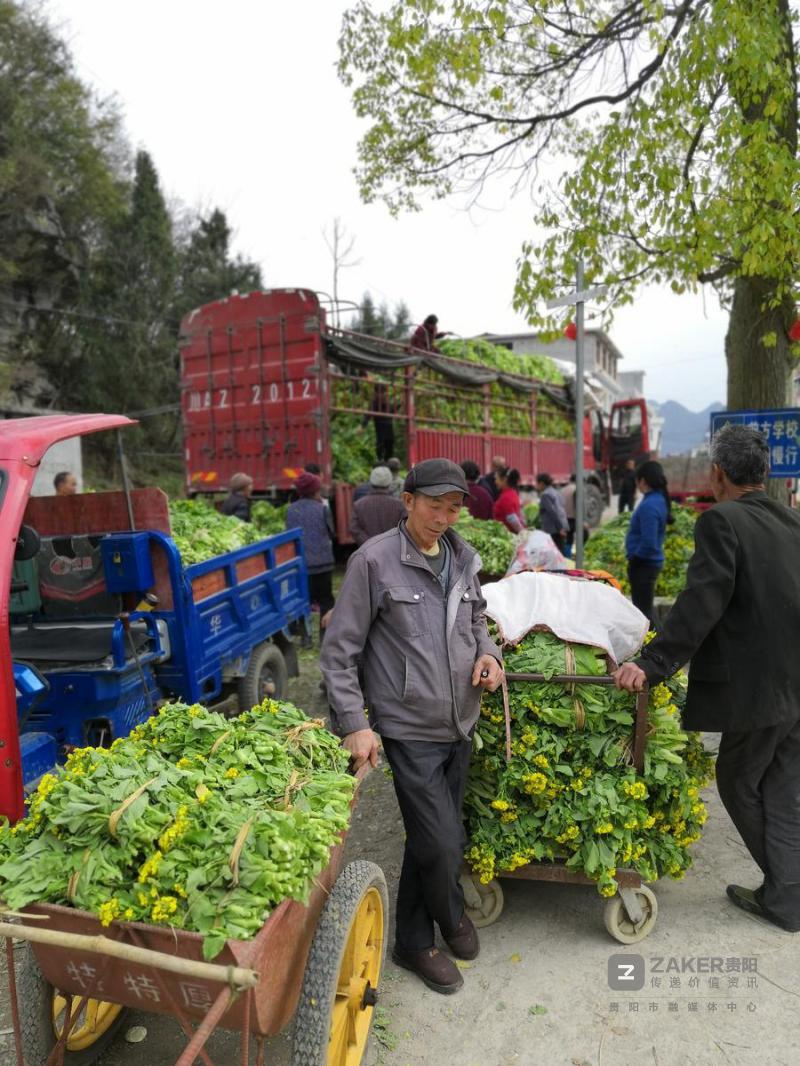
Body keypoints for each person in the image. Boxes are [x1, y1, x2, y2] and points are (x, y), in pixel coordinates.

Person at [321, 458, 504, 995]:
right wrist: (355, 723)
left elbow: (476, 622)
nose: (443, 518)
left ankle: (412, 940)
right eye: (433, 505)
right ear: (407, 501)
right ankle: (447, 922)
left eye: (453, 508)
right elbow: (339, 651)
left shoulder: (462, 559)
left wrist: (489, 655)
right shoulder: (374, 563)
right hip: (409, 727)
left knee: (431, 839)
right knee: (444, 842)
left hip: (459, 722)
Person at [613, 424, 800, 934]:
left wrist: (651, 666)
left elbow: (701, 604)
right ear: (764, 473)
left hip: (762, 688)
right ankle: (789, 893)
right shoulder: (792, 521)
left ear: (716, 474)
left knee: (738, 779)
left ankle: (788, 893)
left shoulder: (722, 522)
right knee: (783, 786)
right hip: (795, 684)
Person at [285, 472, 335, 643]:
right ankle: (325, 637)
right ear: (315, 490)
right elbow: (331, 532)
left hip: (300, 564)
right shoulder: (322, 509)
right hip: (322, 563)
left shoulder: (291, 510)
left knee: (302, 601)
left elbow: (289, 536)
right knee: (325, 601)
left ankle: (305, 638)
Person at [625, 460, 671, 626]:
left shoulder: (649, 506)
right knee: (645, 609)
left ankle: (655, 646)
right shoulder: (658, 499)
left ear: (642, 481)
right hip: (648, 563)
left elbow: (649, 543)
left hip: (644, 564)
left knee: (643, 613)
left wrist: (635, 560)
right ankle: (656, 644)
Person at [350, 466, 406, 545]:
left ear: (371, 482)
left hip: (367, 553)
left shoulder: (359, 505)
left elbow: (354, 529)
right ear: (390, 482)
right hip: (393, 551)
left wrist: (370, 544)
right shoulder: (400, 505)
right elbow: (406, 530)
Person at [535, 473, 569, 553]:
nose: (536, 486)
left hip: (554, 529)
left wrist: (560, 528)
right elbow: (562, 506)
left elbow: (551, 512)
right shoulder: (556, 492)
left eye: (537, 483)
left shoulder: (545, 495)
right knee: (560, 552)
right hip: (562, 525)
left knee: (555, 553)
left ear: (542, 484)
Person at [493, 467, 524, 533]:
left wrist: (522, 533)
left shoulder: (506, 498)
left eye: (496, 479)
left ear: (504, 480)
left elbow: (512, 518)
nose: (495, 482)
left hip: (507, 535)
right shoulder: (512, 493)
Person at [370, 382, 395, 462]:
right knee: (380, 446)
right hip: (380, 431)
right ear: (376, 393)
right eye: (380, 392)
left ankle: (388, 465)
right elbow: (368, 414)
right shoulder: (374, 404)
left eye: (384, 392)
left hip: (389, 431)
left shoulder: (387, 403)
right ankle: (380, 462)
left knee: (389, 448)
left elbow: (392, 412)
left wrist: (399, 405)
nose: (383, 395)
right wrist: (363, 426)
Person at [561, 474, 577, 556]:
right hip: (572, 518)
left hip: (563, 518)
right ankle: (569, 556)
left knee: (567, 539)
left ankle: (567, 556)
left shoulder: (563, 489)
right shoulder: (576, 489)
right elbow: (577, 505)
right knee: (571, 538)